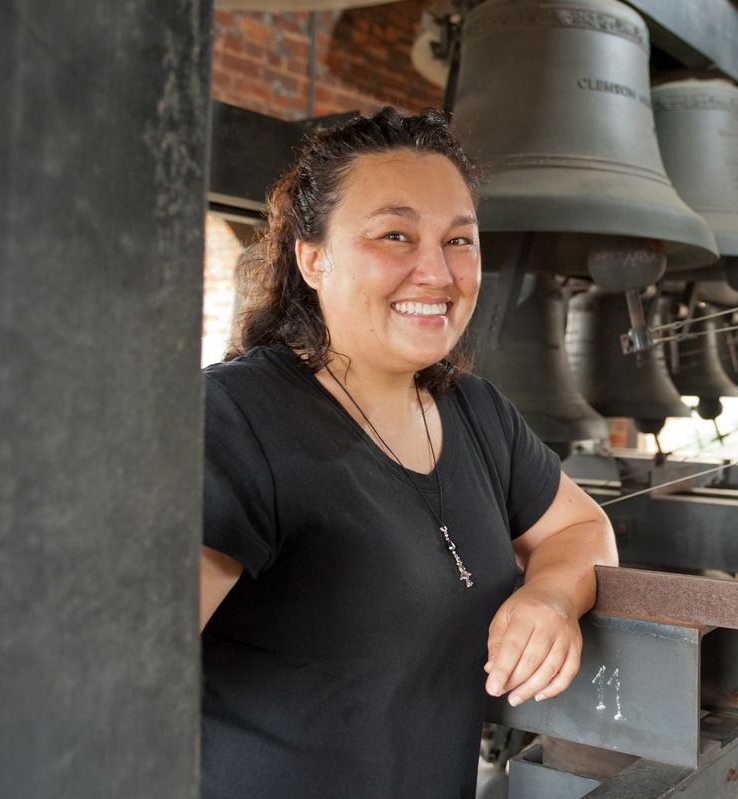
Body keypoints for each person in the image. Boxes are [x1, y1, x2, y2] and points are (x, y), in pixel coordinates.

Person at [199, 107, 619, 799]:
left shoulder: (477, 413)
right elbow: (114, 685)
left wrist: (551, 595)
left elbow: (581, 528)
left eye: (459, 239)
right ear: (312, 257)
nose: (438, 271)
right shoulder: (236, 421)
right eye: (394, 235)